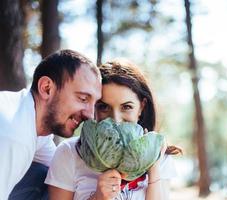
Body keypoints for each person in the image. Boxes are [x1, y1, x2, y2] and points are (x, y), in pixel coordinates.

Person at [45, 59, 182, 200]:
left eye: (126, 107)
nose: (116, 119)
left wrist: (153, 170)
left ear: (141, 107)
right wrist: (97, 197)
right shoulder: (68, 153)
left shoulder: (161, 157)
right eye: (104, 107)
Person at [0, 49, 102, 200]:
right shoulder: (14, 135)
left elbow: (61, 169)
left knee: (52, 177)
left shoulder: (32, 123)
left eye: (96, 104)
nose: (90, 115)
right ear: (46, 88)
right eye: (83, 98)